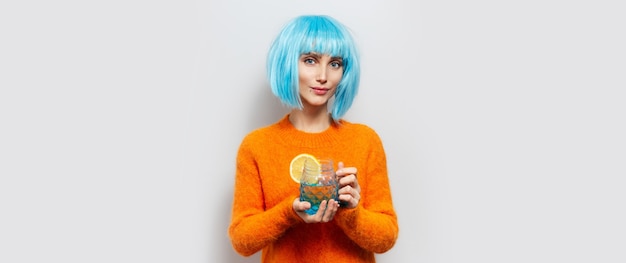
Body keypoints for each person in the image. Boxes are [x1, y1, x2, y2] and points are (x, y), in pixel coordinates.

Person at [228, 15, 398, 263]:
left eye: (335, 64)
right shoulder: (257, 146)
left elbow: (386, 239)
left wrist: (351, 213)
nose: (323, 76)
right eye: (310, 60)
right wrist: (290, 212)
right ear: (287, 64)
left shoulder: (365, 140)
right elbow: (242, 241)